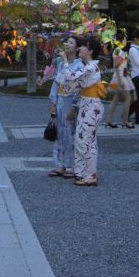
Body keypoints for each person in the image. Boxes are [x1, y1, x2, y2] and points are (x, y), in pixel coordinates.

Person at [65, 36, 107, 187]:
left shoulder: (90, 67)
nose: (80, 49)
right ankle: (84, 172)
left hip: (91, 106)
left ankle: (89, 174)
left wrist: (65, 61)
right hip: (87, 105)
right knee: (85, 140)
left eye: (83, 46)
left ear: (90, 51)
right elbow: (71, 87)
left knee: (85, 140)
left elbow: (70, 77)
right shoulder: (89, 67)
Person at [47, 35, 83, 178]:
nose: (67, 44)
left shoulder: (80, 66)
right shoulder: (62, 63)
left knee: (70, 133)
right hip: (61, 100)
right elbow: (56, 83)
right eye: (67, 41)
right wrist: (53, 102)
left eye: (71, 42)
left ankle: (71, 165)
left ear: (77, 48)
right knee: (59, 133)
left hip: (70, 101)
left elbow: (77, 85)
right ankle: (60, 164)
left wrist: (74, 105)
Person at [104, 42, 135, 129]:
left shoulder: (120, 51)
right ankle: (125, 120)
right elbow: (116, 65)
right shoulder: (118, 50)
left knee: (116, 98)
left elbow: (121, 65)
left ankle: (109, 120)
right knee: (127, 98)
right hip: (119, 77)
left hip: (121, 76)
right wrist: (120, 79)